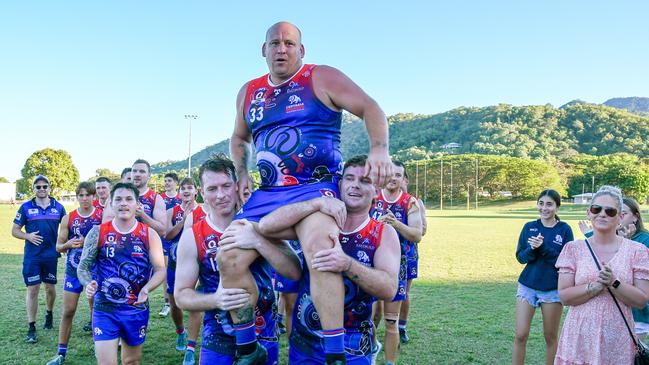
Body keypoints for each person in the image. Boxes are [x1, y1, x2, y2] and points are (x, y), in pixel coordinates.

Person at [228, 21, 392, 365]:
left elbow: (370, 107)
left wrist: (379, 149)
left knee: (321, 250)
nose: (282, 49)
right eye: (275, 43)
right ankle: (248, 346)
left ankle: (333, 354)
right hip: (269, 192)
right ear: (264, 50)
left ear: (301, 50)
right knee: (229, 254)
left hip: (317, 187)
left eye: (289, 43)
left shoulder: (321, 77)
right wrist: (241, 171)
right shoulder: (248, 92)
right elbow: (239, 137)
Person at [258, 154, 401, 364]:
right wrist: (315, 203)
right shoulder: (317, 222)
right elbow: (266, 225)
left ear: (376, 191)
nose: (355, 186)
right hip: (305, 344)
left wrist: (347, 264)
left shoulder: (383, 233)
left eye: (365, 181)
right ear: (340, 184)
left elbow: (389, 288)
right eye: (350, 178)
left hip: (353, 346)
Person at [174, 156, 301, 365]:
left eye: (226, 186)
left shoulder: (258, 223)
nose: (221, 195)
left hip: (264, 333)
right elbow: (181, 296)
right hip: (218, 336)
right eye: (212, 188)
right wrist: (215, 299)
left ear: (237, 187)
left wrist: (259, 242)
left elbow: (294, 271)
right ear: (202, 193)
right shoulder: (193, 236)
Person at [555, 186, 649, 365]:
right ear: (589, 213)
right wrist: (594, 287)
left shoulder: (637, 251)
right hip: (578, 337)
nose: (602, 214)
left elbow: (641, 300)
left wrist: (615, 283)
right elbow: (564, 296)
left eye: (610, 211)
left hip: (618, 339)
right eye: (596, 209)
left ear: (620, 217)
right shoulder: (573, 249)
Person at [77, 182, 166, 365]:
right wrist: (89, 283)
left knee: (131, 361)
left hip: (136, 309)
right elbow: (83, 267)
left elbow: (160, 270)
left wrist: (147, 289)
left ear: (137, 204)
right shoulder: (98, 232)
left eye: (128, 199)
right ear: (110, 203)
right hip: (104, 309)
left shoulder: (149, 234)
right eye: (118, 199)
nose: (123, 203)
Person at [368, 161, 422, 365]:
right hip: (371, 264)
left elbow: (417, 235)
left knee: (392, 319)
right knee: (371, 316)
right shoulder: (372, 198)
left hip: (398, 265)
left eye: (398, 175)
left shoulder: (410, 202)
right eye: (390, 174)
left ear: (403, 179)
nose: (393, 178)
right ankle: (371, 350)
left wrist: (395, 223)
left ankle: (390, 360)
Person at [512, 189, 574, 365]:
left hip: (552, 289)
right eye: (541, 203)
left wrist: (543, 247)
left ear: (557, 207)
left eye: (549, 204)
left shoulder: (564, 229)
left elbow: (565, 262)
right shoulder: (529, 227)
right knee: (520, 334)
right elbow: (520, 257)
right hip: (527, 286)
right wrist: (532, 249)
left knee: (550, 337)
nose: (544, 208)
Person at [46, 181, 103, 365]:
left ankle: (100, 346)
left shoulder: (102, 216)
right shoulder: (68, 218)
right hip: (72, 270)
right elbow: (58, 246)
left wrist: (90, 241)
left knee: (96, 310)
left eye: (88, 195)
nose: (84, 198)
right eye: (81, 195)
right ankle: (61, 353)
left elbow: (109, 243)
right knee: (68, 311)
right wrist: (68, 245)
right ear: (77, 197)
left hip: (94, 271)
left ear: (94, 197)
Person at [11, 175, 66, 343]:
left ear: (50, 188)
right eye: (38, 187)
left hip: (51, 255)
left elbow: (66, 229)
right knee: (33, 289)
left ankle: (49, 314)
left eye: (45, 186)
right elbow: (14, 230)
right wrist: (27, 236)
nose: (42, 189)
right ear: (33, 189)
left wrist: (64, 244)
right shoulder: (25, 207)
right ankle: (32, 326)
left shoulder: (59, 208)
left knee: (50, 288)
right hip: (32, 257)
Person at [164, 177, 207, 365]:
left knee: (194, 304)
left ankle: (190, 347)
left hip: (199, 262)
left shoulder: (205, 210)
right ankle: (180, 331)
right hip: (175, 262)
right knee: (175, 303)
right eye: (183, 188)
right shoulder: (171, 211)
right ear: (179, 192)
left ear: (196, 190)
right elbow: (168, 234)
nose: (186, 191)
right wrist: (184, 219)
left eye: (190, 187)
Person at [396, 171, 426, 344]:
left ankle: (401, 327)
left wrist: (400, 225)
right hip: (385, 251)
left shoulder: (415, 202)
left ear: (406, 180)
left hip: (408, 253)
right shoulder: (382, 200)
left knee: (405, 292)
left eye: (400, 176)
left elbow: (422, 230)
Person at [159, 172, 182, 317]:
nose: (167, 183)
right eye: (165, 180)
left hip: (180, 240)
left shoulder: (182, 198)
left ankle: (181, 299)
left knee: (183, 271)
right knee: (167, 271)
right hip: (164, 240)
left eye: (169, 181)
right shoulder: (160, 199)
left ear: (176, 183)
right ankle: (167, 302)